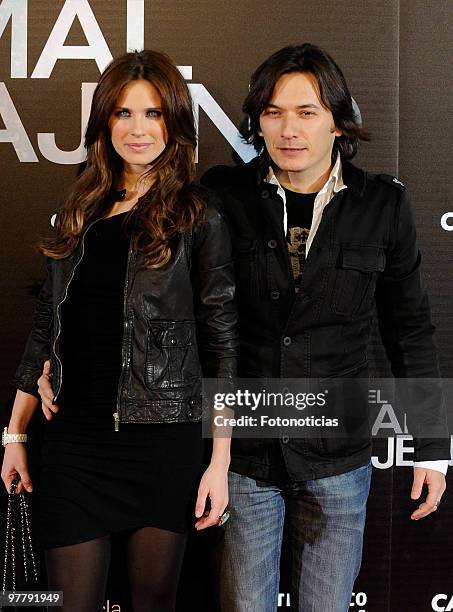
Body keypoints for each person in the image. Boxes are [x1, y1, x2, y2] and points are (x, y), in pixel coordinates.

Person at [200, 43, 450, 611]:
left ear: (338, 121)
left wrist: (432, 450)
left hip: (338, 454)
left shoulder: (382, 204)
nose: (289, 129)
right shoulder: (224, 196)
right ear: (257, 120)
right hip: (247, 453)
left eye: (307, 112)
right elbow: (187, 313)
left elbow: (410, 331)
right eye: (273, 112)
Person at [1, 49, 236, 612]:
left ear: (174, 122)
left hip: (163, 443)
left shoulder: (197, 214)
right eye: (123, 114)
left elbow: (222, 343)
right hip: (75, 445)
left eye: (153, 114)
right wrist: (15, 432)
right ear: (105, 122)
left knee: (151, 604)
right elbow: (45, 324)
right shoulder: (80, 206)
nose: (137, 129)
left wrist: (220, 462)